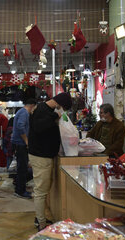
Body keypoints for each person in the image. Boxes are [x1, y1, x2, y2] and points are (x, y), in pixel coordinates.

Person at [28, 92, 72, 231]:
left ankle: (40, 218)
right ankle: (41, 223)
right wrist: (56, 116)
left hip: (44, 155)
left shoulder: (45, 110)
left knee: (43, 188)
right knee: (41, 190)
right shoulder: (43, 110)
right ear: (60, 104)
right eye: (63, 108)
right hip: (41, 157)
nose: (62, 111)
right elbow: (39, 127)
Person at [11, 98, 37, 199]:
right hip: (20, 143)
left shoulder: (22, 112)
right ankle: (20, 191)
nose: (34, 111)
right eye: (34, 108)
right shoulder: (24, 113)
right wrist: (26, 141)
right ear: (32, 105)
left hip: (19, 143)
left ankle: (20, 188)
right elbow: (20, 126)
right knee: (22, 168)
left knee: (22, 167)